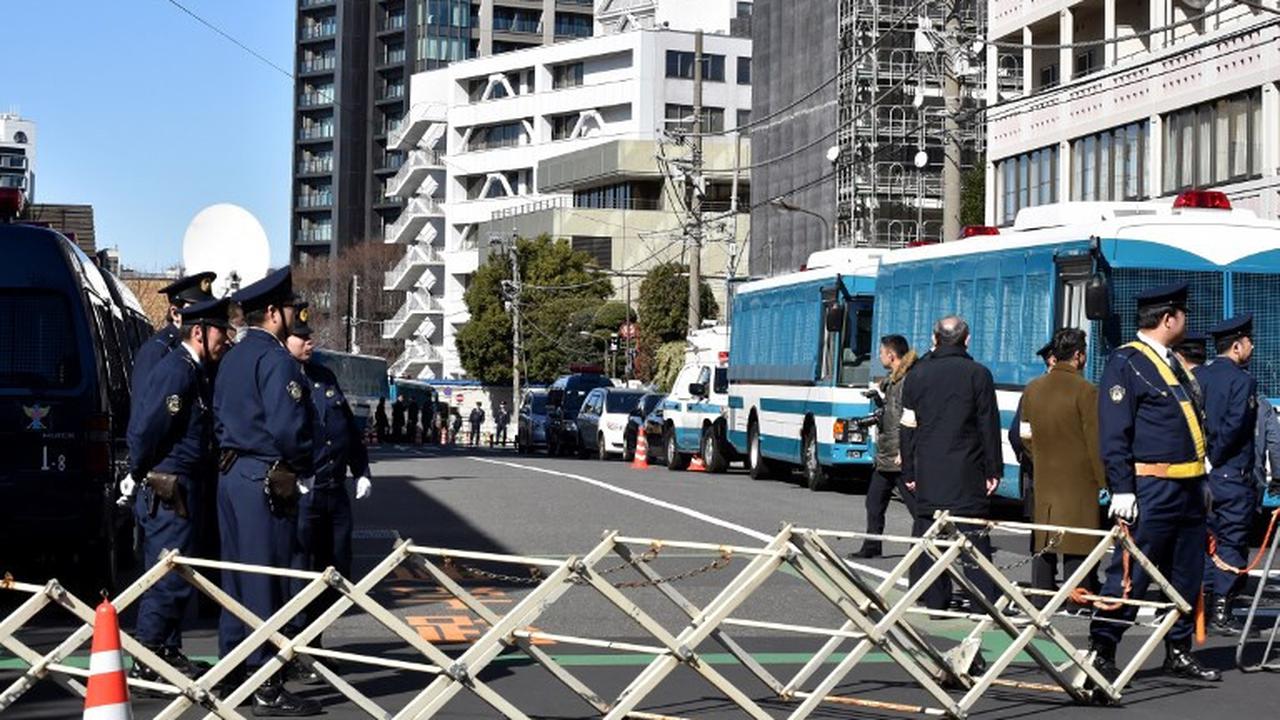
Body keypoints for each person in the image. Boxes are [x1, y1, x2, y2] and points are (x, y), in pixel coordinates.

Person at [1089, 281, 1219, 683]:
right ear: (1168, 319)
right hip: (1152, 487)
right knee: (1132, 573)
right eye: (1183, 314)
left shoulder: (1172, 363)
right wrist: (1121, 487)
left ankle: (1178, 649)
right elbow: (1115, 431)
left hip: (1189, 487)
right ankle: (1102, 650)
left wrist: (1202, 472)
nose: (1186, 321)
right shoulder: (1127, 362)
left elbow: (1188, 421)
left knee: (1186, 574)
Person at [212, 267, 321, 715]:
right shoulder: (276, 360)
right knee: (265, 578)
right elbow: (288, 426)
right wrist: (305, 465)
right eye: (290, 308)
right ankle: (265, 683)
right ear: (274, 313)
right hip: (264, 476)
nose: (294, 315)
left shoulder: (233, 356)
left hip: (230, 474)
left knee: (235, 577)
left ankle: (232, 670)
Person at [123, 298, 232, 686]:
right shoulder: (177, 371)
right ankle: (149, 656)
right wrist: (138, 471)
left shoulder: (195, 370)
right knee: (166, 576)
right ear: (199, 332)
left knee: (178, 573)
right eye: (220, 331)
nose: (225, 339)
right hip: (170, 489)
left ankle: (166, 650)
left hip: (186, 486)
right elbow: (147, 427)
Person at [284, 304, 372, 657]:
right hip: (303, 490)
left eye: (310, 337)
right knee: (301, 569)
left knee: (336, 567)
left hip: (333, 490)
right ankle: (296, 641)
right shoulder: (282, 377)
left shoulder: (324, 376)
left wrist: (361, 469)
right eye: (301, 337)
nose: (309, 342)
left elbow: (346, 427)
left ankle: (317, 639)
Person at [900, 316, 1001, 610]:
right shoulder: (978, 374)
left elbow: (908, 427)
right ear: (966, 340)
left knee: (930, 535)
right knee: (972, 538)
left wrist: (909, 470)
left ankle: (935, 601)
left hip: (928, 468)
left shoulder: (916, 375)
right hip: (967, 468)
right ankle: (984, 601)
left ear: (935, 339)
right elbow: (988, 425)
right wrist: (993, 469)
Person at [1018, 328, 1104, 597]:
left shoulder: (1033, 388)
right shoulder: (1086, 390)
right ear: (1078, 355)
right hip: (1080, 478)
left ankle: (1042, 593)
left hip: (1044, 473)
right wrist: (1104, 480)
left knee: (1044, 536)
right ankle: (1078, 597)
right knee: (1079, 538)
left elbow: (1024, 434)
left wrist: (1039, 457)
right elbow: (1095, 441)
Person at [1195, 314, 1258, 636]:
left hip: (1200, 472)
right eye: (1248, 342)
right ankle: (1222, 608)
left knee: (1207, 538)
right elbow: (1235, 426)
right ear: (1236, 346)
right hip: (1231, 471)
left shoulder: (1198, 376)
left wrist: (1202, 458)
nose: (1252, 347)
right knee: (1232, 539)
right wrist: (1216, 457)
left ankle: (1205, 605)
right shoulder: (1242, 381)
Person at [852, 335, 918, 559]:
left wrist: (904, 451)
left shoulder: (906, 382)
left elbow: (907, 419)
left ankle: (928, 547)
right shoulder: (892, 382)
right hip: (886, 455)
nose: (879, 356)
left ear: (891, 355)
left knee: (916, 507)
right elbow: (891, 415)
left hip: (898, 456)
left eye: (881, 352)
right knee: (874, 502)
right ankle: (872, 545)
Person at [132, 272, 217, 389]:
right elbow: (144, 397)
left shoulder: (205, 347)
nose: (204, 317)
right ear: (175, 313)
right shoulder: (157, 350)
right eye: (196, 310)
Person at [1009, 341, 1055, 525]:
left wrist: (1027, 458)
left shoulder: (1032, 389)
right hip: (1064, 475)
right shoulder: (1080, 389)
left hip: (1035, 470)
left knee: (1039, 527)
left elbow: (1016, 434)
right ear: (1053, 360)